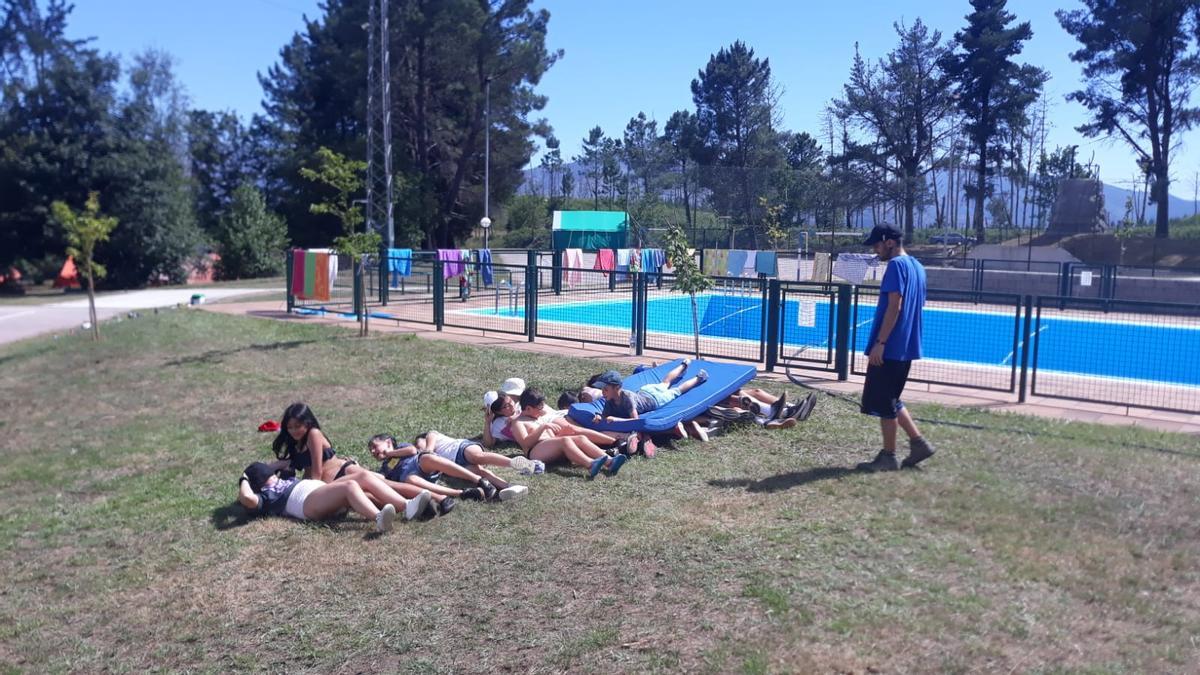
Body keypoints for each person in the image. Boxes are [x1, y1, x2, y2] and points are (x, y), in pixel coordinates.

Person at [854, 224, 936, 472]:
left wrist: (881, 343)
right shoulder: (917, 266)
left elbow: (895, 306)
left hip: (890, 347)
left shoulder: (896, 266)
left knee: (884, 403)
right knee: (891, 398)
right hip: (906, 347)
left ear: (889, 242)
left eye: (877, 245)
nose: (876, 251)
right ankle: (918, 443)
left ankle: (888, 457)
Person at [237, 462, 431, 532]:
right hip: (307, 503)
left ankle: (407, 506)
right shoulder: (264, 496)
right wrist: (243, 478)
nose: (272, 474)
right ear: (259, 482)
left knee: (363, 476)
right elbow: (247, 499)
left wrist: (273, 468)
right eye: (266, 474)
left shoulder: (283, 479)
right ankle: (379, 519)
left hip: (320, 492)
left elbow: (284, 462)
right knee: (349, 485)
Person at [368, 435, 527, 502]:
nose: (374, 452)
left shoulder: (402, 448)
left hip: (422, 464)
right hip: (413, 480)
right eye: (371, 451)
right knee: (410, 479)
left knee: (427, 457)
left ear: (388, 442)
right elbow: (383, 479)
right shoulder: (384, 467)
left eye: (375, 446)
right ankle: (464, 493)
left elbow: (412, 451)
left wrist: (391, 453)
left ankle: (480, 481)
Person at [512, 387, 628, 479]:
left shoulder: (537, 417)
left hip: (549, 447)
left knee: (580, 438)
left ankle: (609, 461)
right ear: (527, 409)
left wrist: (562, 433)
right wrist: (543, 427)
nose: (542, 410)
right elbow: (526, 443)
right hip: (534, 452)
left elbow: (553, 439)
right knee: (565, 440)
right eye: (539, 407)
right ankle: (590, 464)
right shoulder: (518, 423)